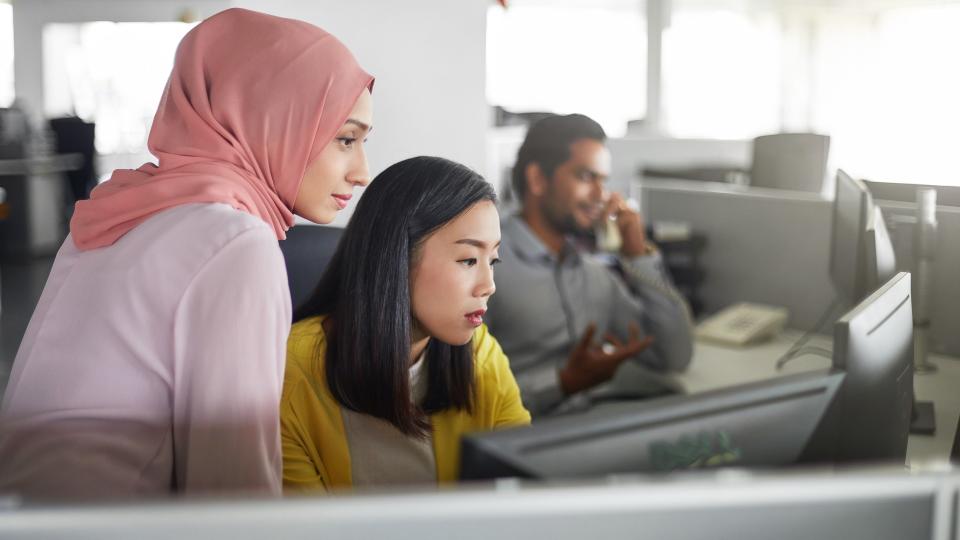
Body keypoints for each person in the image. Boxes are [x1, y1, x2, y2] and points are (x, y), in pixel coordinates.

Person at [0, 8, 374, 500]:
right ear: (272, 118)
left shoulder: (124, 210)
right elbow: (234, 494)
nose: (362, 171)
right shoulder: (236, 243)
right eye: (346, 139)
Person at [281, 156, 530, 491]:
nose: (489, 284)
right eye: (469, 260)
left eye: (493, 260)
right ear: (397, 258)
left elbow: (521, 497)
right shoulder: (289, 372)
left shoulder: (482, 356)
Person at [486, 114, 693, 417]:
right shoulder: (486, 268)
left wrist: (638, 255)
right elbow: (463, 397)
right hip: (516, 444)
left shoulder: (593, 276)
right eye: (585, 177)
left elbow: (672, 355)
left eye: (603, 180)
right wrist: (563, 383)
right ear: (538, 180)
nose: (601, 196)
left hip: (589, 430)